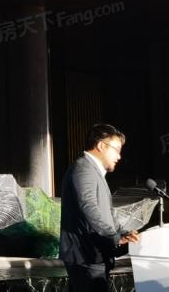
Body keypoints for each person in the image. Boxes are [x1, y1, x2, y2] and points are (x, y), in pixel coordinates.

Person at [60, 123, 141, 292]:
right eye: (117, 150)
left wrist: (123, 232)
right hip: (86, 256)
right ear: (101, 145)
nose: (119, 156)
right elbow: (88, 206)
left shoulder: (93, 171)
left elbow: (107, 213)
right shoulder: (83, 168)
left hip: (93, 256)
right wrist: (113, 237)